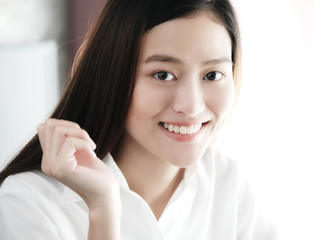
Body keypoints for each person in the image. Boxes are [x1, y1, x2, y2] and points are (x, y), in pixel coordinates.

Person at [0, 0, 275, 239]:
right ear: (113, 75)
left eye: (212, 75)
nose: (191, 106)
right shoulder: (28, 202)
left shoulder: (232, 187)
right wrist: (102, 208)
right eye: (163, 74)